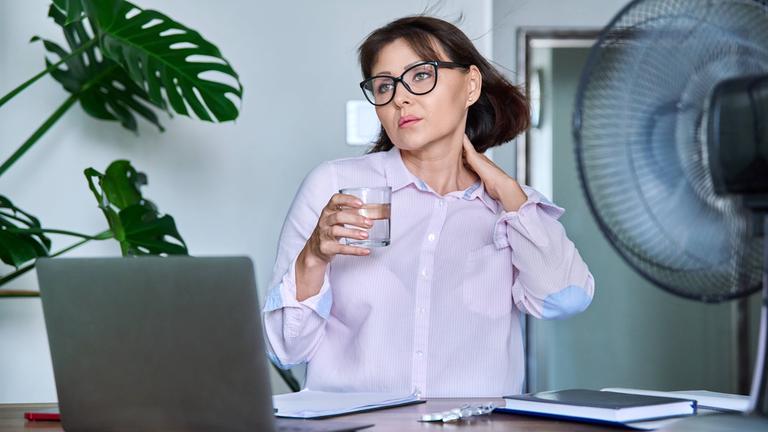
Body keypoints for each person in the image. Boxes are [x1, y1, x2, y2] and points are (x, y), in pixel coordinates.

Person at [262, 15, 594, 397]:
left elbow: (565, 299)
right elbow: (285, 349)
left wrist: (509, 192)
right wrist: (314, 258)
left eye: (421, 75)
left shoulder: (509, 208)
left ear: (470, 85)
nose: (400, 97)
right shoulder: (335, 187)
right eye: (384, 85)